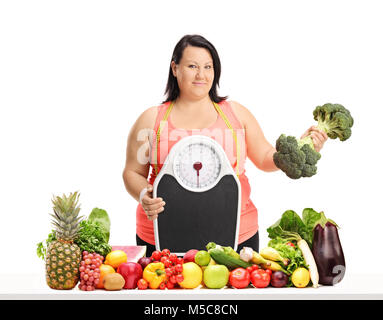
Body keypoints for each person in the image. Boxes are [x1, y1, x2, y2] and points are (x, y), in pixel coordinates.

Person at [122, 34, 327, 257]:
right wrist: (144, 194)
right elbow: (133, 171)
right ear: (175, 68)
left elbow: (266, 157)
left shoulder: (236, 114)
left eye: (208, 67)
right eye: (192, 66)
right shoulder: (151, 121)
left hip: (238, 236)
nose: (201, 74)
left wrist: (299, 148)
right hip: (161, 237)